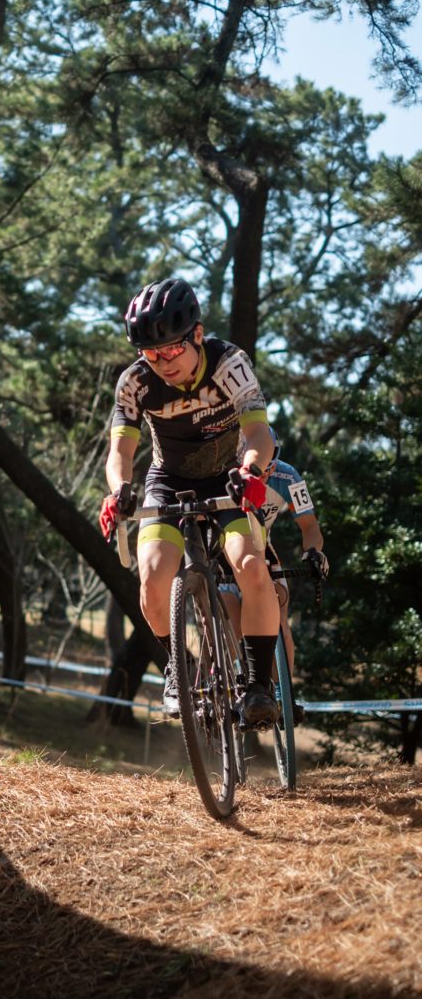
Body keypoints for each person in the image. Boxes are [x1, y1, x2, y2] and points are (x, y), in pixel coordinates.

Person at [99, 277, 280, 725]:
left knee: (251, 567)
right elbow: (119, 453)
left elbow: (259, 434)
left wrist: (251, 471)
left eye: (171, 349)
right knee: (152, 579)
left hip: (228, 477)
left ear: (196, 334)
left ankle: (258, 686)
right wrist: (119, 489)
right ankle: (176, 671)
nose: (162, 362)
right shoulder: (135, 382)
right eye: (151, 353)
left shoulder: (229, 363)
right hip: (168, 480)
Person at [220, 446, 328, 716]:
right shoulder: (223, 472)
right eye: (260, 470)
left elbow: (310, 526)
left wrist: (313, 552)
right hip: (220, 556)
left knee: (279, 616)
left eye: (270, 468)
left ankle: (284, 693)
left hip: (260, 550)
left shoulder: (288, 476)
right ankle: (234, 682)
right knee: (231, 618)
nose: (265, 475)